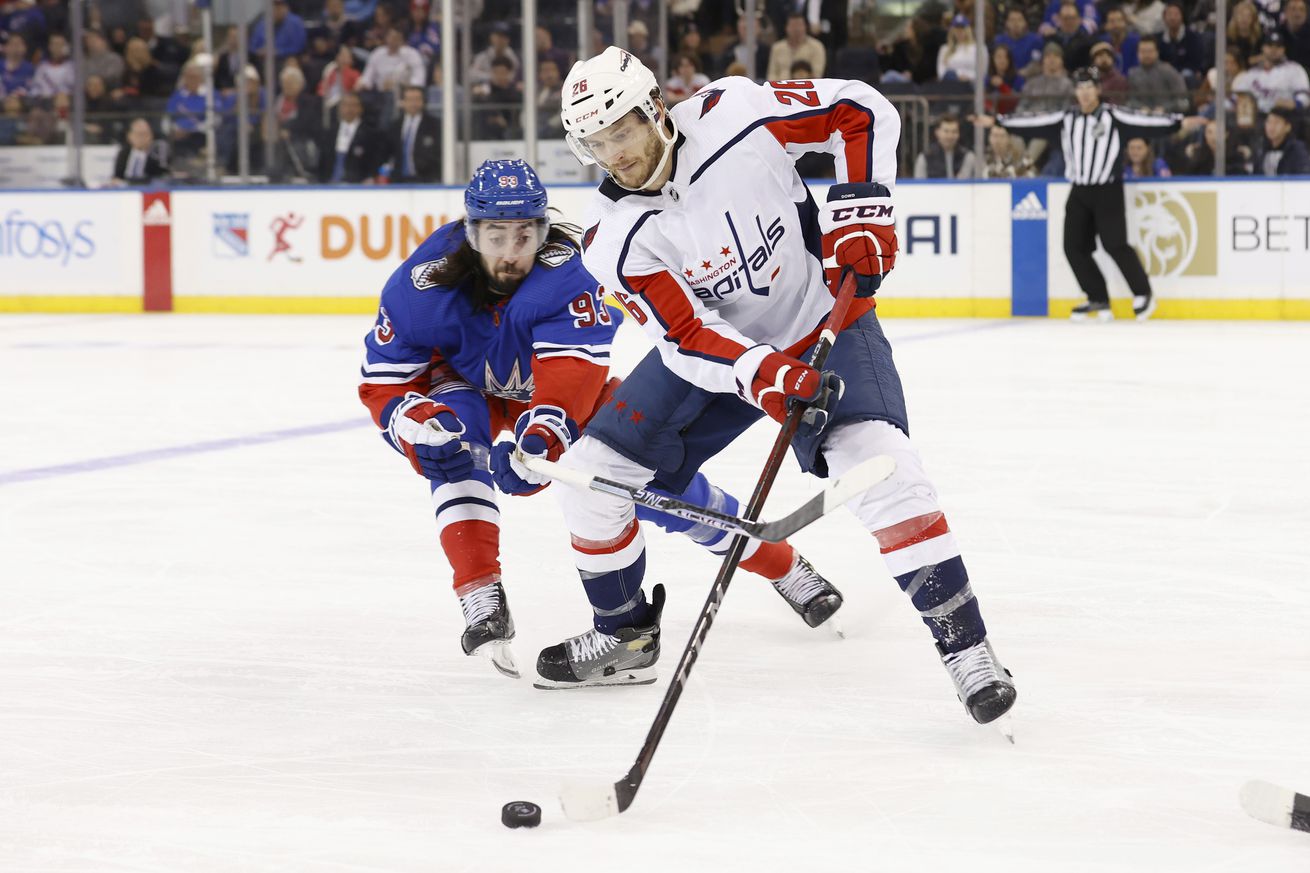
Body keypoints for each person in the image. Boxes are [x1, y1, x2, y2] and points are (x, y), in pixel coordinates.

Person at [551, 47, 1018, 727]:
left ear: (655, 107)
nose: (612, 153)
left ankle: (968, 650)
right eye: (595, 141)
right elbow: (687, 335)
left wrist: (864, 205)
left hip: (822, 316)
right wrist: (762, 374)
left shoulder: (734, 113)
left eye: (620, 130)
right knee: (594, 475)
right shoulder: (613, 237)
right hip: (721, 359)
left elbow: (859, 109)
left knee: (887, 469)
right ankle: (625, 634)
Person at [357, 159, 845, 679]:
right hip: (461, 384)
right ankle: (481, 596)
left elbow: (568, 378)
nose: (510, 253)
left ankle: (783, 565)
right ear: (471, 232)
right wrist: (411, 420)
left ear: (543, 231)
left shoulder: (573, 272)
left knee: (641, 478)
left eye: (525, 235)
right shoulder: (420, 285)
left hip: (550, 397)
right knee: (452, 449)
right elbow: (386, 379)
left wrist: (541, 438)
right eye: (495, 236)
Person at [977, 66, 1203, 320]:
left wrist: (1178, 122)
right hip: (1080, 191)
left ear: (1098, 90)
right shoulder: (1066, 119)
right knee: (1073, 246)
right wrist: (998, 121)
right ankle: (1097, 297)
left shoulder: (1113, 116)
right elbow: (1033, 121)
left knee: (1114, 243)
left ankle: (1143, 293)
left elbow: (1145, 121)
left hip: (1107, 189)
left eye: (1089, 87)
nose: (1084, 93)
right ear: (1075, 91)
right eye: (1080, 87)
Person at [1231, 32, 1310, 113]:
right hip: (1257, 118)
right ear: (1263, 48)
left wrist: (1294, 103)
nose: (1274, 49)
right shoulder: (1252, 73)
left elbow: (1305, 97)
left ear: (1283, 49)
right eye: (1270, 45)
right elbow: (1236, 97)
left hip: (1285, 116)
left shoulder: (1295, 69)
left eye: (1278, 46)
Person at [318, 91, 383, 182]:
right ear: (340, 108)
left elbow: (375, 161)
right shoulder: (330, 133)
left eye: (353, 105)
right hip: (329, 185)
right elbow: (323, 162)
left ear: (361, 108)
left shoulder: (371, 134)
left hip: (357, 187)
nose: (349, 109)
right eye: (345, 105)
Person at [388, 84, 439, 182]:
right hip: (398, 181)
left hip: (426, 181)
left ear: (423, 102)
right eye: (409, 100)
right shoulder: (395, 126)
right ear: (403, 102)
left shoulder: (434, 125)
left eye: (417, 99)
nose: (413, 103)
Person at [358, 26, 425, 94]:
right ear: (386, 38)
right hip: (381, 93)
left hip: (405, 92)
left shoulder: (412, 54)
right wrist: (363, 84)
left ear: (401, 40)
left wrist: (407, 87)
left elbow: (419, 77)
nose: (393, 41)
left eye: (396, 38)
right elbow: (367, 76)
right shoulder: (377, 54)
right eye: (391, 37)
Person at [914, 113, 979, 177]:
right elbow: (919, 184)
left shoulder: (968, 156)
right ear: (937, 132)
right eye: (946, 131)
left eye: (954, 131)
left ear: (959, 134)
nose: (950, 136)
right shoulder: (925, 157)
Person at [767, 13, 827, 80]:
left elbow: (817, 74)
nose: (796, 29)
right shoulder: (777, 48)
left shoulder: (817, 46)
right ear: (786, 28)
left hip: (806, 87)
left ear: (805, 27)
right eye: (793, 25)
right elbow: (771, 75)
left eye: (799, 25)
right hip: (780, 87)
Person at [112, 117, 169, 184]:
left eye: (145, 134)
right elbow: (117, 176)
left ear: (151, 136)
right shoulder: (123, 154)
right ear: (129, 136)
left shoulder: (157, 155)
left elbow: (162, 175)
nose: (142, 138)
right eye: (139, 134)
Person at [1256, 105, 1310, 174]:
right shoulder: (1262, 149)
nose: (1271, 127)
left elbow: (1303, 174)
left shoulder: (1297, 150)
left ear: (1287, 127)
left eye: (1276, 122)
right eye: (1269, 122)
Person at [1158, 1, 1205, 78]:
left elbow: (1195, 63)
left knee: (1187, 74)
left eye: (1176, 14)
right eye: (1169, 14)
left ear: (1182, 16)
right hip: (1164, 74)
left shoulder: (1193, 37)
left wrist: (1173, 69)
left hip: (1185, 72)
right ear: (1164, 17)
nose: (1172, 18)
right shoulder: (1158, 38)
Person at [995, 7, 1045, 76]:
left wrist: (1019, 75)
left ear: (1025, 23)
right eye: (1012, 20)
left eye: (1020, 20)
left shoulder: (1035, 41)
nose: (1016, 24)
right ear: (1006, 23)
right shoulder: (999, 41)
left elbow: (1036, 63)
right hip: (1004, 78)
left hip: (1028, 79)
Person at [938, 14, 978, 81]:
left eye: (962, 28)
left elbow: (982, 72)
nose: (959, 32)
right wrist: (957, 77)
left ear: (967, 30)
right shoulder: (944, 49)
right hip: (951, 84)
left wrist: (969, 77)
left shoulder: (976, 48)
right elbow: (941, 71)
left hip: (970, 84)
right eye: (956, 29)